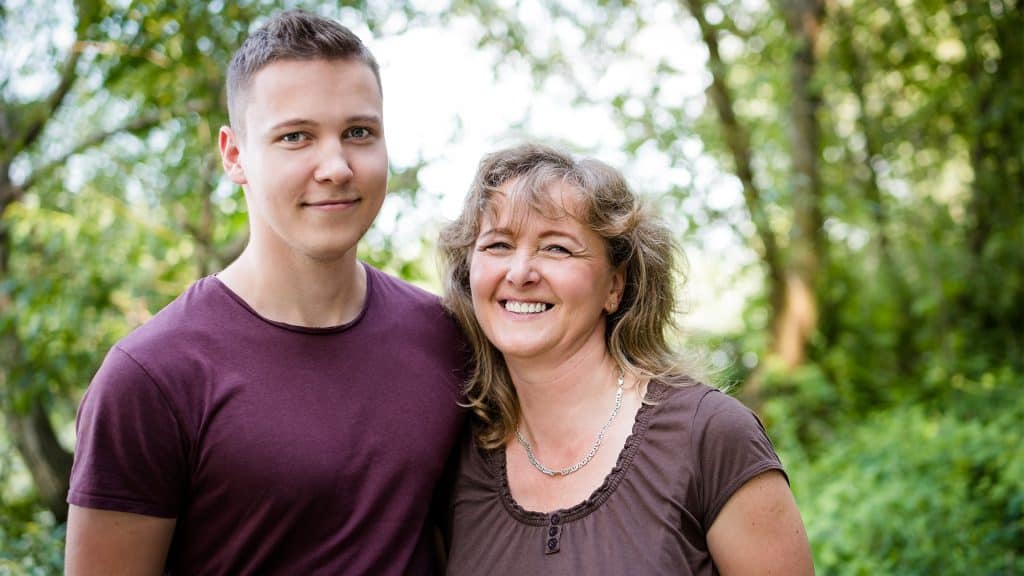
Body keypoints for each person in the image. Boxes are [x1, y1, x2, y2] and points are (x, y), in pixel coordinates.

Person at [65, 10, 466, 575]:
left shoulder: (445, 336)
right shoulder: (151, 378)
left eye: (359, 132)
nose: (336, 166)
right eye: (296, 137)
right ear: (234, 155)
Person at [439, 143, 814, 575]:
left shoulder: (709, 436)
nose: (520, 272)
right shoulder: (450, 450)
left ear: (615, 285)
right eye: (498, 245)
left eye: (557, 248)